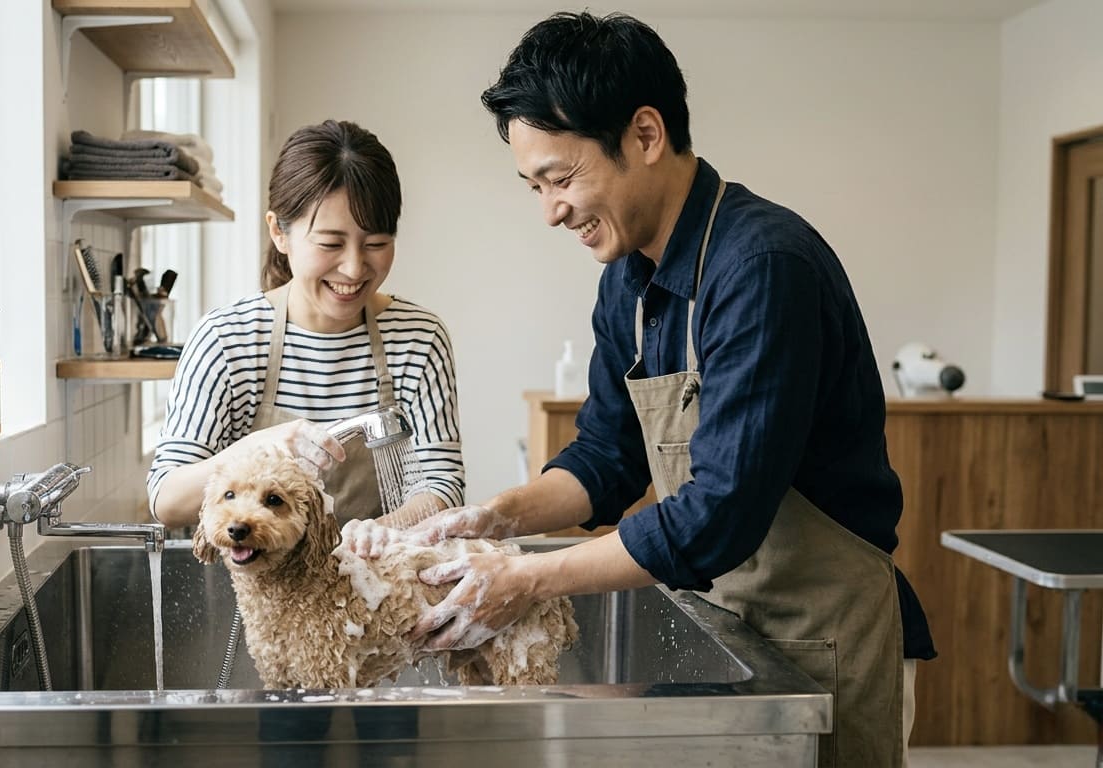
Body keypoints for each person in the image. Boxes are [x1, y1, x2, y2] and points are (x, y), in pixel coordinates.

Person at [345, 12, 934, 768]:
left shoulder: (762, 267)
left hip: (824, 643)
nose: (551, 210)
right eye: (534, 186)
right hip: (728, 620)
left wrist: (524, 577)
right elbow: (605, 458)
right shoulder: (628, 280)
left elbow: (719, 512)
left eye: (561, 178)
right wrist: (493, 519)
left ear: (646, 135)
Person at [148, 119, 464, 529]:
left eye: (376, 244)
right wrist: (263, 446)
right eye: (330, 243)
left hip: (378, 579)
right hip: (251, 589)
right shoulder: (227, 341)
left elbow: (443, 485)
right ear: (279, 232)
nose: (353, 268)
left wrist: (367, 541)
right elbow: (167, 500)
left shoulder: (418, 339)